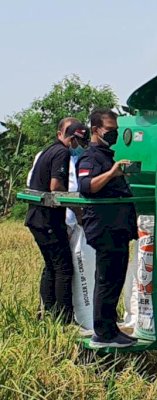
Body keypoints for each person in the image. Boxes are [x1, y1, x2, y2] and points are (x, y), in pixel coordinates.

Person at [77, 108, 138, 348]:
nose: (114, 134)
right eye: (110, 130)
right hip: (105, 228)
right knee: (106, 279)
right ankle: (103, 332)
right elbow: (86, 186)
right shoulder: (91, 158)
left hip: (117, 228)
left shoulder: (106, 155)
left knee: (114, 279)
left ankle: (110, 328)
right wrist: (112, 173)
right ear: (95, 130)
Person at [25, 117, 84, 322]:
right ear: (74, 139)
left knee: (52, 266)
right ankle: (64, 319)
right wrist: (77, 212)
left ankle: (47, 314)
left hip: (37, 218)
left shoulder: (48, 150)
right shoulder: (62, 152)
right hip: (48, 220)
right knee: (64, 269)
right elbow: (55, 187)